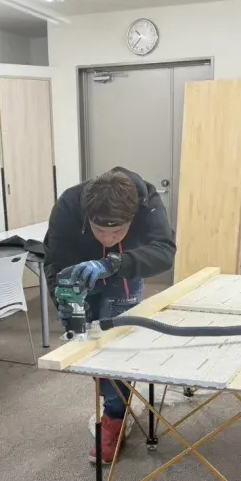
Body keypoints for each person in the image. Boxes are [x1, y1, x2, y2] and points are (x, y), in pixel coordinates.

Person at [44, 167, 176, 464]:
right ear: (87, 216)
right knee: (90, 348)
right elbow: (54, 262)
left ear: (132, 218)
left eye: (116, 232)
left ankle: (115, 416)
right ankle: (115, 400)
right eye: (99, 230)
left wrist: (114, 263)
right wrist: (63, 298)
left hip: (124, 272)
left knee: (117, 348)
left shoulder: (147, 202)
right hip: (78, 276)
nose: (107, 238)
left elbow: (165, 251)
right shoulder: (68, 205)